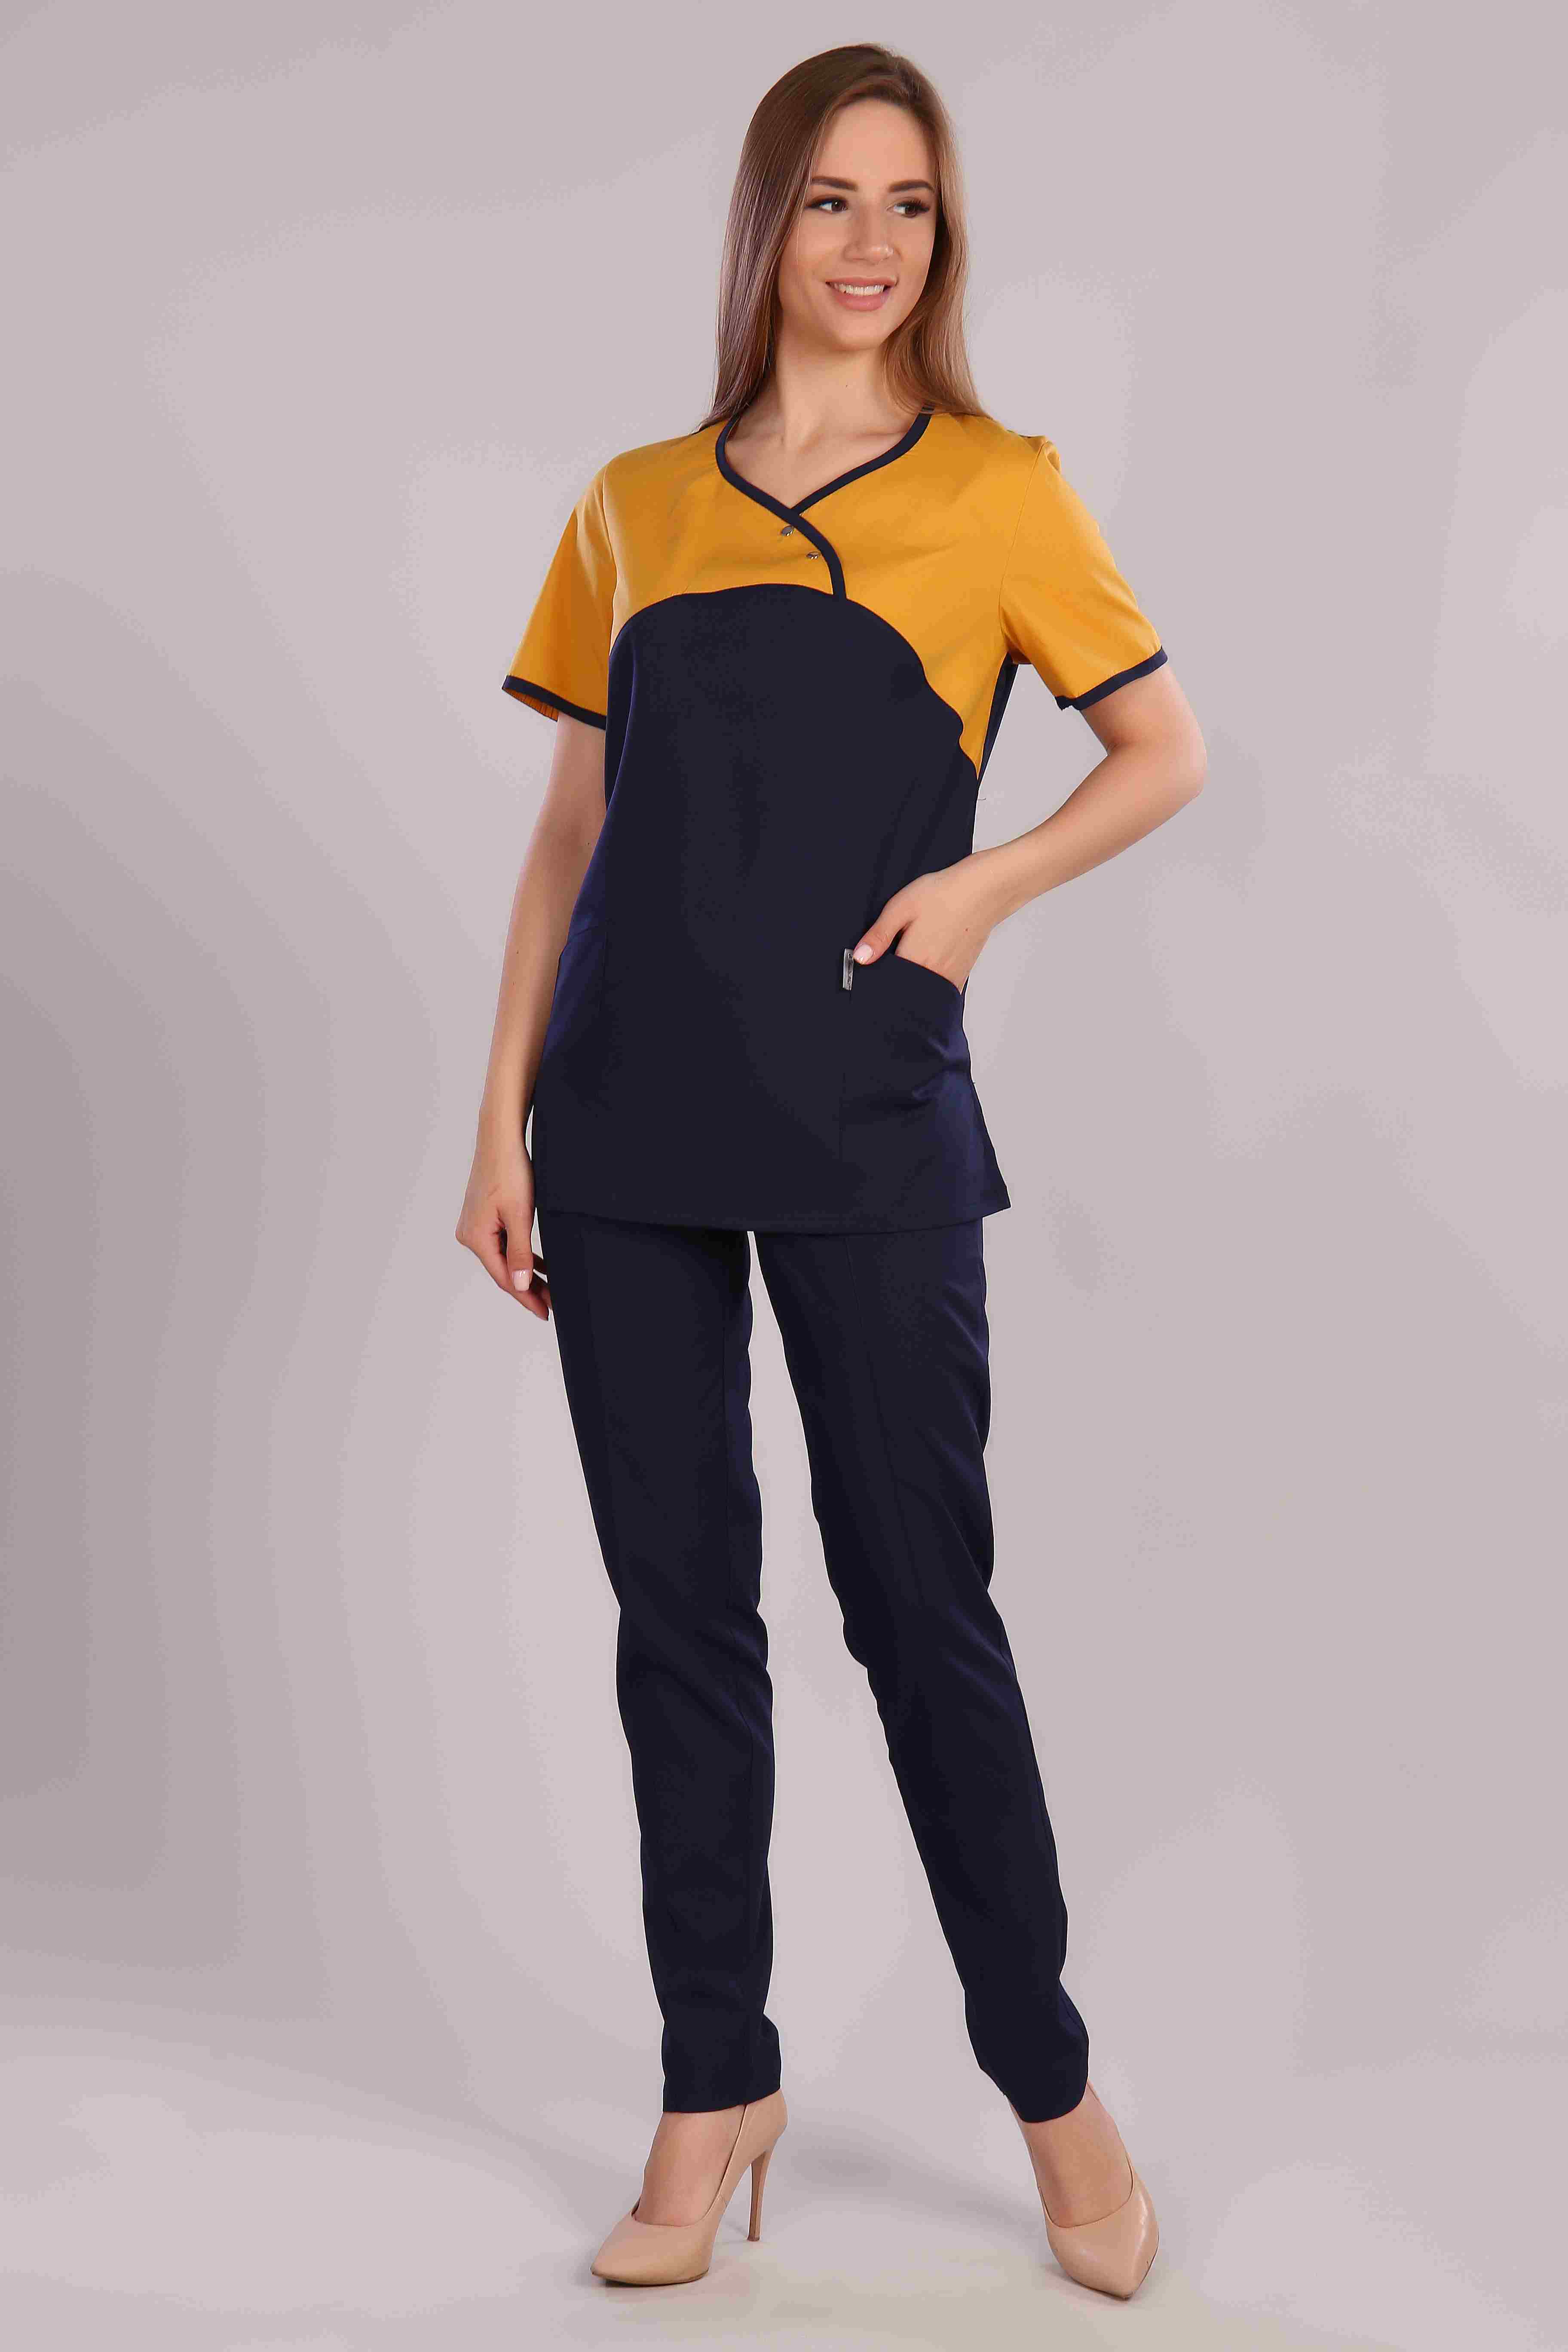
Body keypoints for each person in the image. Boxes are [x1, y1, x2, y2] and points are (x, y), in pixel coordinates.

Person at [457, 40, 1204, 2299]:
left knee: (920, 1613)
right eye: (830, 200)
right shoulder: (633, 501)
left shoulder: (1001, 489)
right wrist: (497, 1119)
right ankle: (714, 2086)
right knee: (679, 1622)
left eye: (911, 204)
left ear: (941, 237)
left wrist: (980, 893)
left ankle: (1053, 2089)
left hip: (873, 1114)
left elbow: (1160, 751)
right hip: (621, 1127)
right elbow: (573, 829)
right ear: (765, 223)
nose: (873, 243)